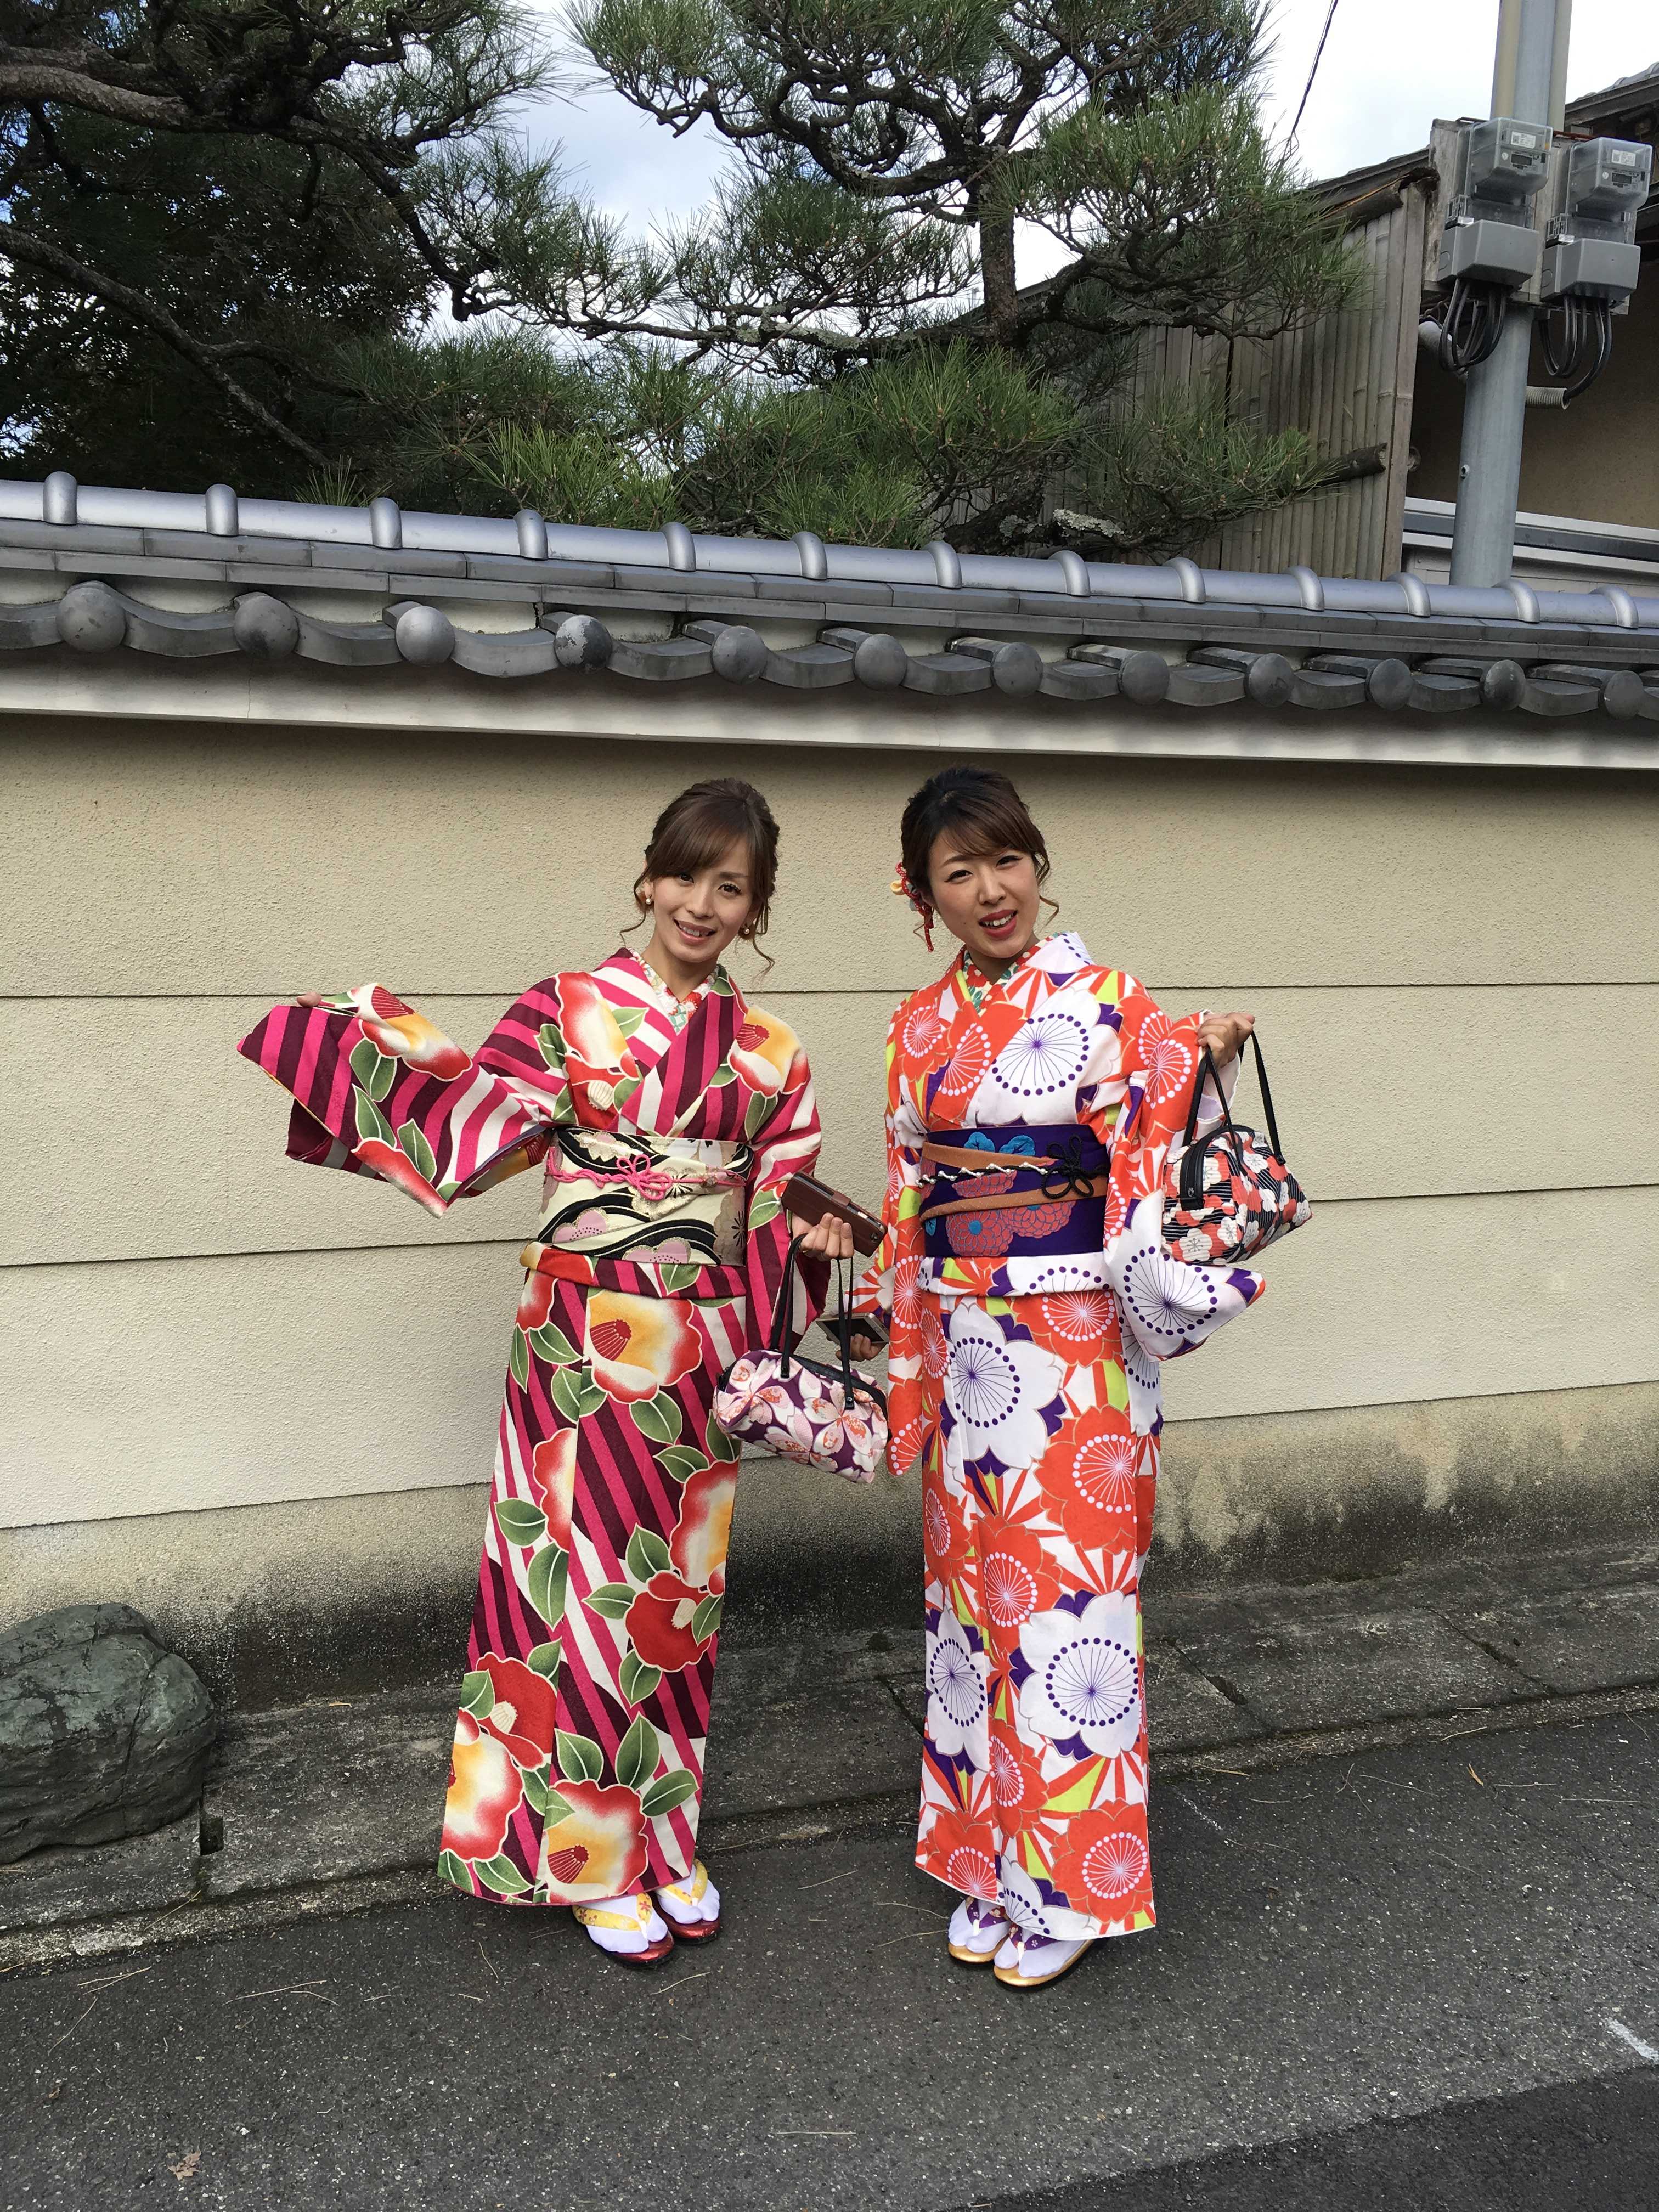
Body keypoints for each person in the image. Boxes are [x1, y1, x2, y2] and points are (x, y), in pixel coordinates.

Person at [238, 777, 853, 1966]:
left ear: (757, 909)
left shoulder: (771, 1051)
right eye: (686, 875)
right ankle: (588, 1856)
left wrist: (818, 1246)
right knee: (572, 1589)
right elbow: (476, 1129)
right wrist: (363, 1049)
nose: (702, 904)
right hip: (576, 1332)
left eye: (732, 888)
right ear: (649, 879)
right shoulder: (563, 1008)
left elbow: (776, 1204)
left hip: (700, 1341)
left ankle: (663, 1836)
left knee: (674, 1598)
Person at [849, 764, 1262, 1990]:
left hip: (1076, 1345)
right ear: (921, 893)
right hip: (964, 1348)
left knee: (1070, 1609)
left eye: (1008, 861)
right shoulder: (916, 1027)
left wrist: (1195, 1060)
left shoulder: (1109, 1000)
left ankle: (1076, 1883)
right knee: (973, 1613)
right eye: (959, 871)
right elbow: (910, 1192)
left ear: (1038, 864)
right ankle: (987, 1864)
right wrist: (896, 1338)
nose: (992, 890)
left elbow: (1153, 1141)